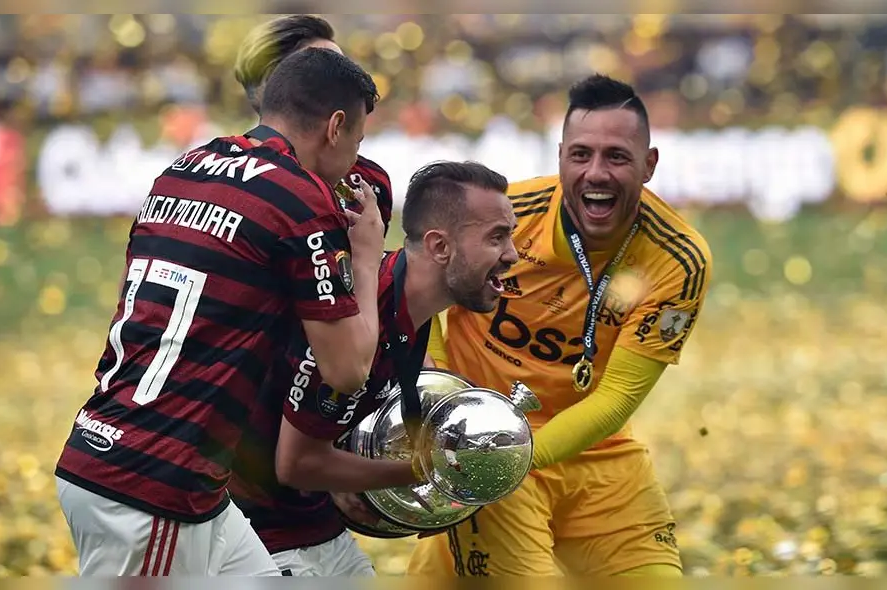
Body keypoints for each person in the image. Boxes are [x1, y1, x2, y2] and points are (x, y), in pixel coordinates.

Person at [54, 48, 385, 576]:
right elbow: (346, 370)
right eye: (357, 143)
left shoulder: (182, 168)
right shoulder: (299, 198)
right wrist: (366, 258)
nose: (354, 162)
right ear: (336, 126)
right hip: (155, 483)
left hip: (138, 459)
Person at [408, 74, 713, 577]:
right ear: (560, 157)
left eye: (616, 156)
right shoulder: (507, 217)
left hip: (599, 459)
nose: (596, 173)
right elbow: (414, 288)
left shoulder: (677, 259)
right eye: (580, 155)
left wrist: (517, 455)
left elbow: (614, 399)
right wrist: (442, 395)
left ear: (649, 164)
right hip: (484, 449)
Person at [228, 161, 519, 576]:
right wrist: (429, 473)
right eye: (497, 237)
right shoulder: (360, 315)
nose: (512, 254)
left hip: (305, 520)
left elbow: (412, 378)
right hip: (256, 530)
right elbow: (296, 465)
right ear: (440, 247)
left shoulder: (401, 296)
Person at [234, 14, 394, 234]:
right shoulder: (226, 179)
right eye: (323, 65)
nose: (347, 80)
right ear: (279, 85)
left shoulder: (370, 183)